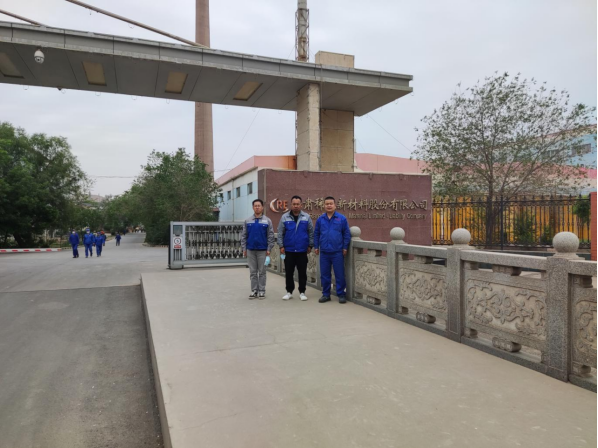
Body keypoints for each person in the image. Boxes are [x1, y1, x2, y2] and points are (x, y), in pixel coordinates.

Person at [314, 197, 351, 304]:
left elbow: (346, 234)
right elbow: (316, 234)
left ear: (335, 205)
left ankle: (341, 294)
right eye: (327, 204)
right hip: (324, 252)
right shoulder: (320, 219)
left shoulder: (341, 218)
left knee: (339, 274)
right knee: (324, 275)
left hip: (337, 252)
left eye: (331, 203)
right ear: (324, 206)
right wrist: (316, 246)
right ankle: (326, 294)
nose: (329, 205)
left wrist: (345, 247)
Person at [277, 196, 314, 301]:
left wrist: (310, 245)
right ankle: (289, 292)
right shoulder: (285, 217)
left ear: (301, 205)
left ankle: (302, 292)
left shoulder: (306, 217)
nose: (296, 206)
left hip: (302, 250)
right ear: (291, 205)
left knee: (302, 272)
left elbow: (311, 232)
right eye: (294, 204)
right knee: (289, 272)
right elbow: (280, 233)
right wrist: (281, 246)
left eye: (298, 204)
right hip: (289, 250)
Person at [241, 199, 275, 300]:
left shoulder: (267, 221)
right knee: (253, 272)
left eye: (259, 206)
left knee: (262, 272)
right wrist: (244, 248)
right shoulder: (248, 221)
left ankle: (262, 291)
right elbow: (244, 235)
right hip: (250, 250)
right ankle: (254, 290)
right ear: (253, 207)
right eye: (255, 206)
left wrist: (269, 248)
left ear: (262, 207)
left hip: (263, 250)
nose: (257, 207)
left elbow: (270, 236)